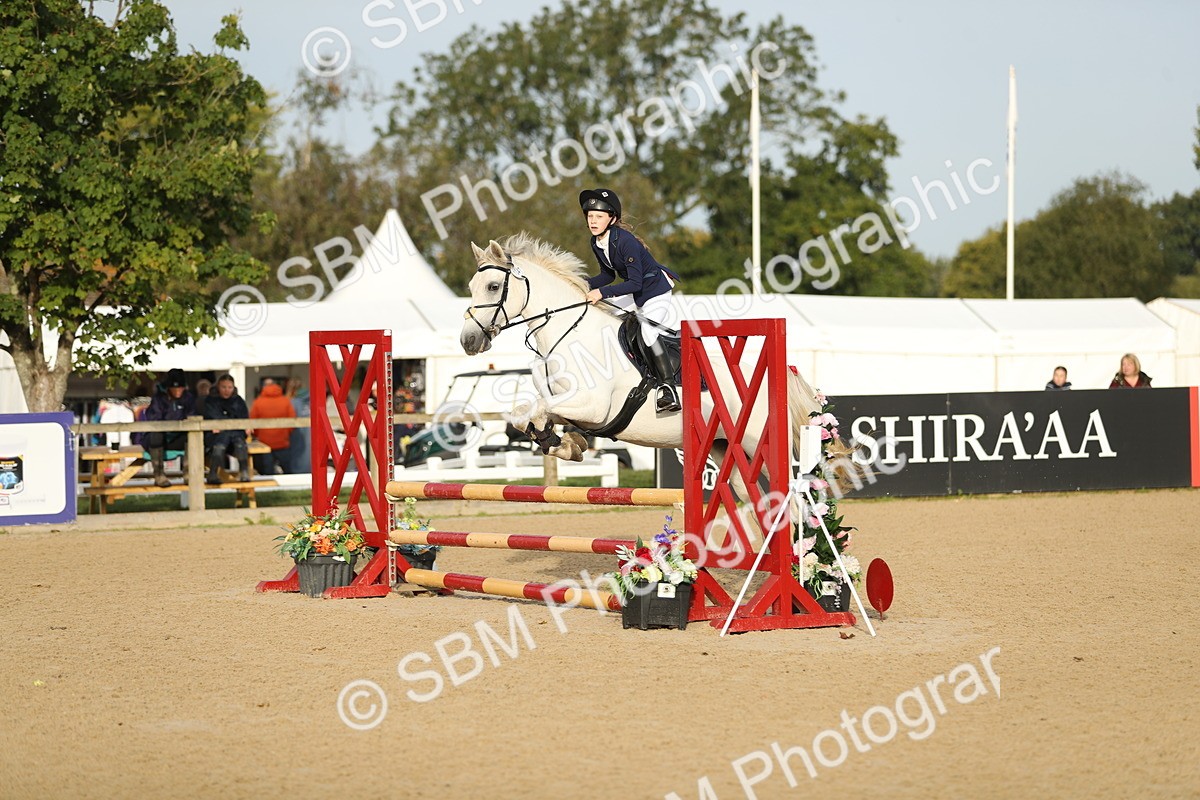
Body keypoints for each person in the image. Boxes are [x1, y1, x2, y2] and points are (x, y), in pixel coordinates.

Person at [579, 188, 682, 413]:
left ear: (612, 219)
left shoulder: (625, 241)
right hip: (636, 292)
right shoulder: (596, 242)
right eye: (590, 216)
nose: (593, 221)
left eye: (599, 216)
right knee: (602, 318)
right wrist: (580, 283)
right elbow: (608, 276)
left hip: (655, 291)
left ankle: (668, 387)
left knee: (648, 331)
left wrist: (602, 293)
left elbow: (635, 283)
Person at [137, 368, 195, 487]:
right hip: (158, 438)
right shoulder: (158, 399)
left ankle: (189, 473)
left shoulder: (188, 398)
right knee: (156, 434)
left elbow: (192, 416)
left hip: (176, 437)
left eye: (181, 388)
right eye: (175, 388)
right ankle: (159, 474)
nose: (178, 391)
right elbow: (155, 420)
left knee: (192, 436)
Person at [204, 374, 251, 483]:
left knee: (240, 442)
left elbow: (244, 417)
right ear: (218, 387)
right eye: (224, 387)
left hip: (235, 434)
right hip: (216, 436)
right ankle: (213, 473)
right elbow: (212, 417)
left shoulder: (238, 401)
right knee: (220, 443)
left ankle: (244, 471)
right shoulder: (211, 400)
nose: (227, 390)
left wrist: (247, 426)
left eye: (229, 387)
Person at [250, 378, 296, 476]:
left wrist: (258, 434)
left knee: (268, 472)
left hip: (265, 442)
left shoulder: (258, 402)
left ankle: (268, 489)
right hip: (282, 441)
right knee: (287, 470)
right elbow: (293, 420)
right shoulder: (285, 401)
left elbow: (253, 422)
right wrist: (286, 433)